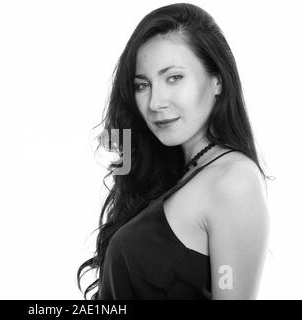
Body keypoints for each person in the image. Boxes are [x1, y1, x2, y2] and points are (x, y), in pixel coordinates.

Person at [77, 3, 271, 300]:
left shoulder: (234, 181)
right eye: (143, 85)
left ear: (217, 80)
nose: (155, 102)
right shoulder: (176, 172)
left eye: (174, 78)